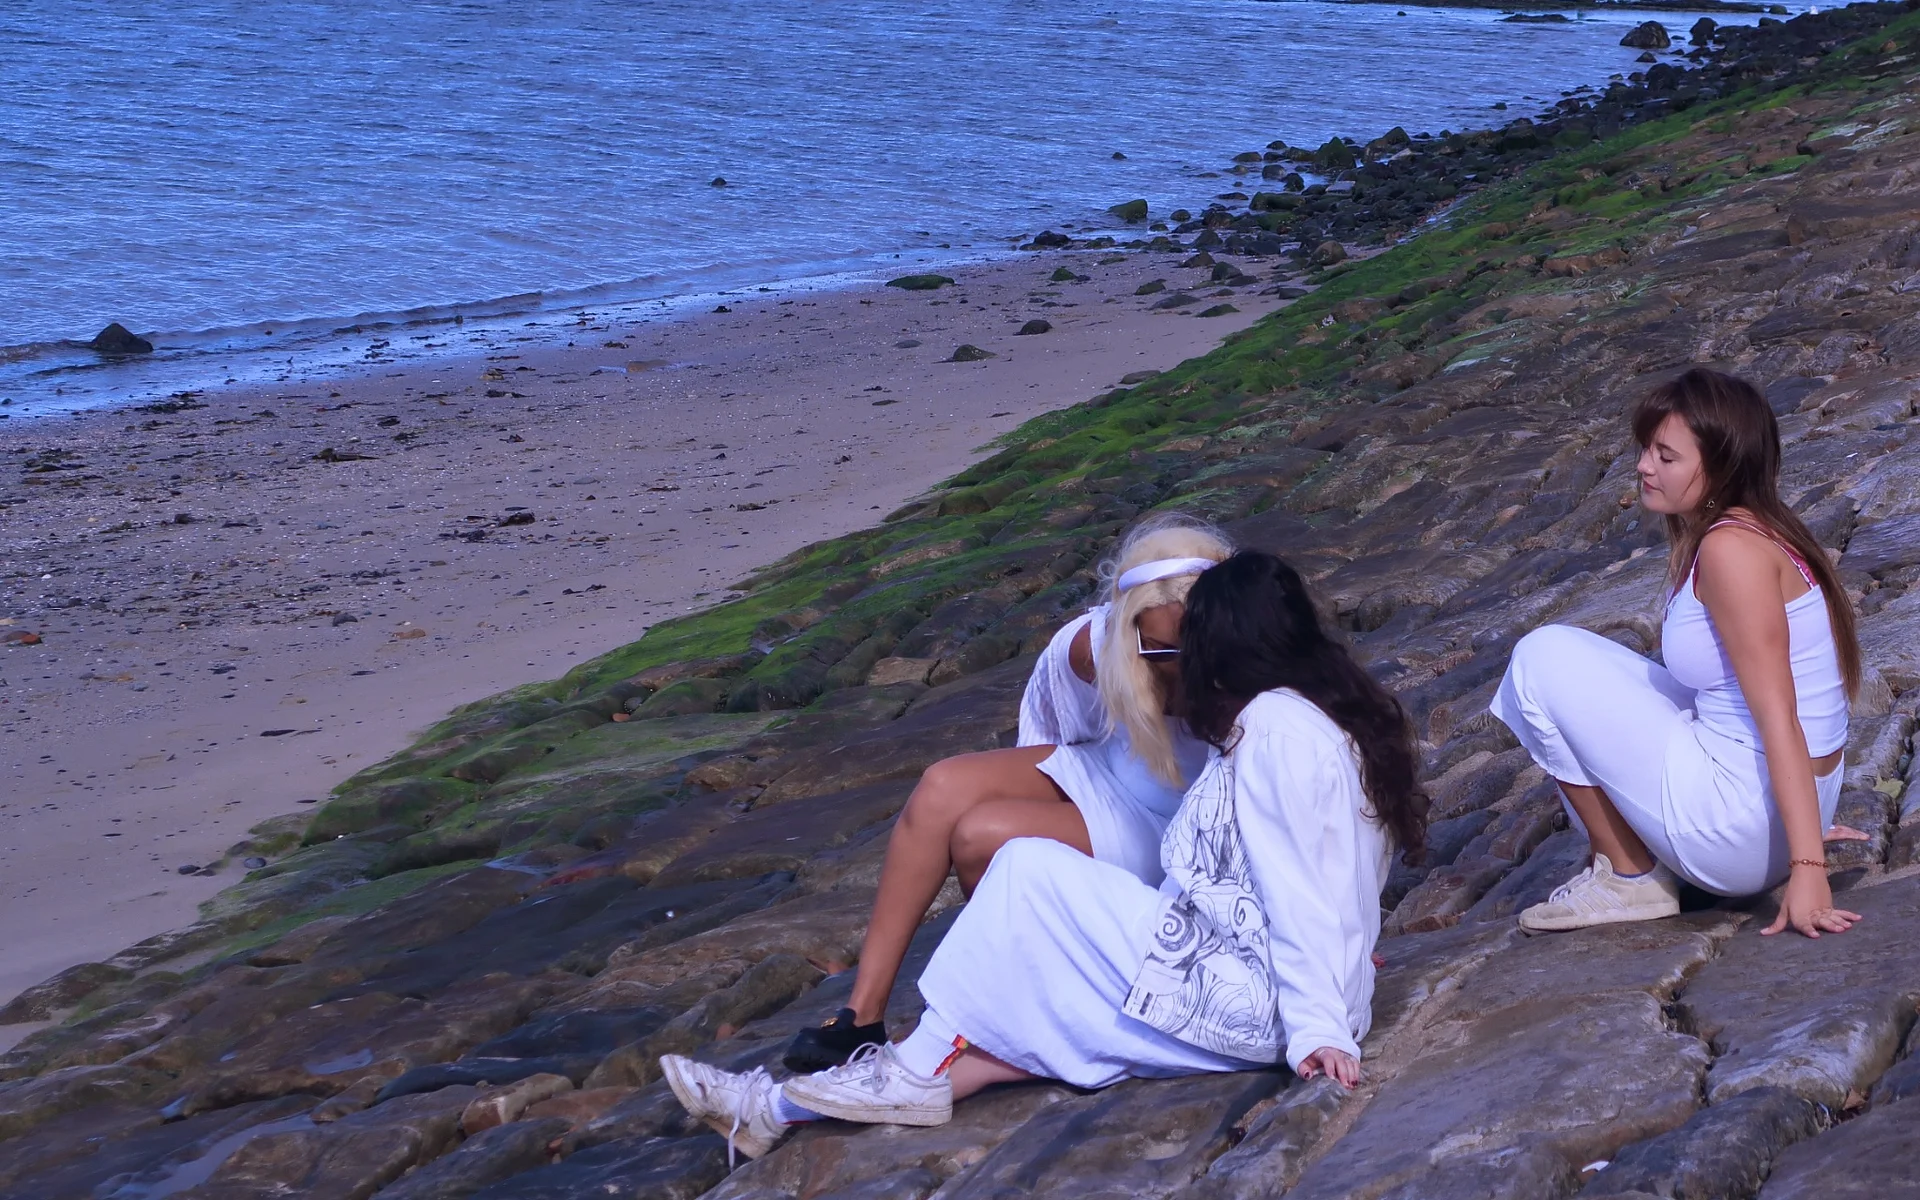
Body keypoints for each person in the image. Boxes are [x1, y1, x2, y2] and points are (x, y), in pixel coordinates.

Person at [662, 550, 1428, 1161]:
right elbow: (1341, 878)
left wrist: (1320, 1028)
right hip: (1243, 979)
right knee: (1003, 1038)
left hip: (1254, 1001)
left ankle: (908, 1066)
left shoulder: (1275, 732)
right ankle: (771, 1111)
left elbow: (1301, 892)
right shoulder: (1321, 715)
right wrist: (1343, 982)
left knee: (1028, 871)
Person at [781, 514, 1231, 1072]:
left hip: (1183, 824)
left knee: (984, 836)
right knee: (943, 785)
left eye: (1187, 648)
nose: (1173, 664)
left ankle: (1003, 1006)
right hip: (1114, 772)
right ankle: (863, 1014)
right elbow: (1052, 734)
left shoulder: (1248, 662)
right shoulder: (1092, 649)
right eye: (1156, 648)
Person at [1491, 367, 1863, 938]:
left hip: (1739, 828)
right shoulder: (1759, 528)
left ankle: (1630, 877)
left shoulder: (1730, 551)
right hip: (1771, 812)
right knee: (1594, 659)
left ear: (1722, 465)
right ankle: (1715, 847)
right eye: (1646, 448)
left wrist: (1807, 867)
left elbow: (1780, 715)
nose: (1644, 466)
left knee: (1538, 659)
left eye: (1666, 456)